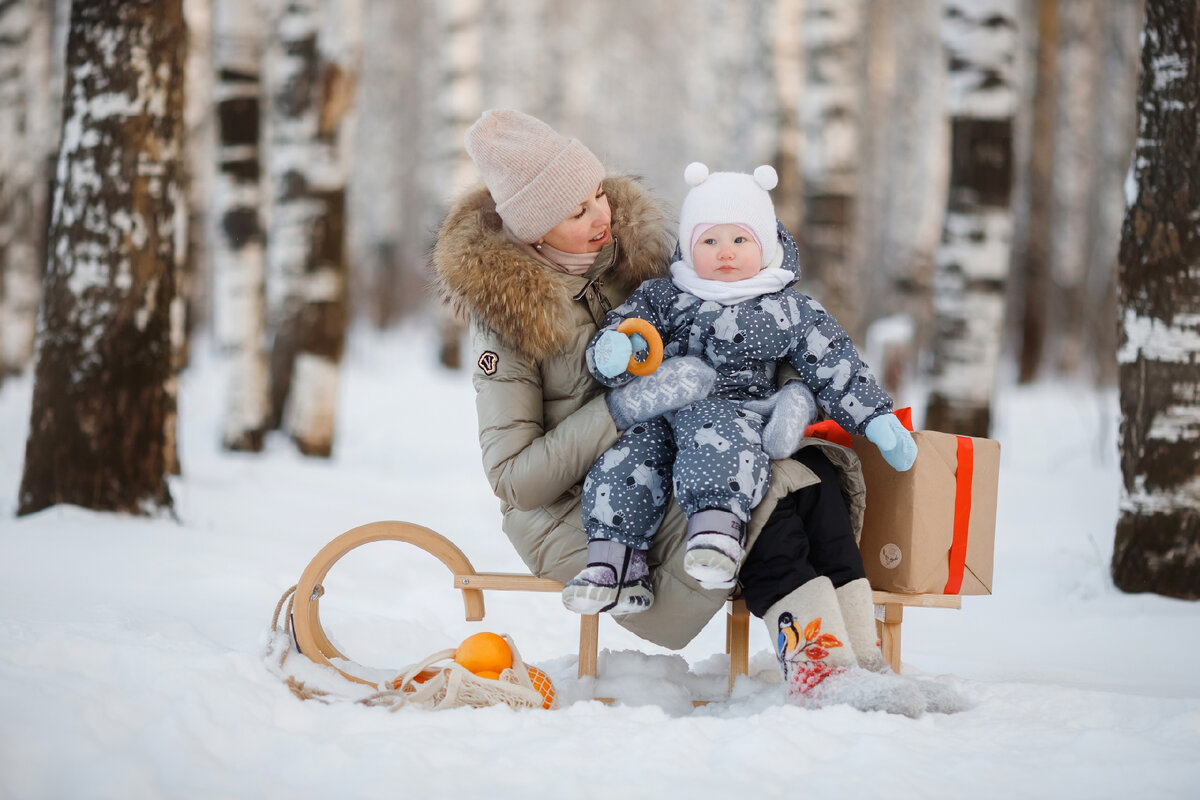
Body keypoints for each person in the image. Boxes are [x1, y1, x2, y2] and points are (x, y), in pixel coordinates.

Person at [432, 110, 942, 715]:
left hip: (682, 443)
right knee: (764, 498)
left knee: (816, 476)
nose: (603, 216)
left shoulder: (631, 265)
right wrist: (625, 408)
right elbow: (515, 481)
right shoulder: (508, 325)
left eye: (599, 194)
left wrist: (792, 392)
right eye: (577, 212)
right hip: (584, 506)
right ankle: (818, 669)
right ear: (534, 231)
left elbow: (732, 332)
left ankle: (864, 663)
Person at [567, 162, 917, 626]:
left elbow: (836, 365)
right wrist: (615, 351)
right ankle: (613, 563)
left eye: (740, 240)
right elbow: (627, 333)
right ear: (690, 248)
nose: (725, 253)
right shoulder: (665, 296)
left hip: (738, 411)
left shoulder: (787, 307)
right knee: (626, 458)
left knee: (717, 435)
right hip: (664, 409)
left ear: (765, 245)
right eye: (709, 241)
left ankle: (716, 534)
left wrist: (876, 418)